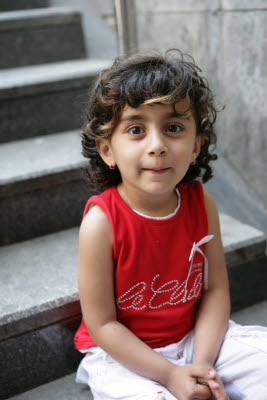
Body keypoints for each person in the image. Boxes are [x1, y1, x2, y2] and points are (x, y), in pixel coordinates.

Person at [74, 50, 267, 400]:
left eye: (173, 127)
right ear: (107, 150)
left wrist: (202, 370)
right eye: (135, 129)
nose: (158, 146)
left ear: (196, 145)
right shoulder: (101, 223)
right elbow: (102, 325)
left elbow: (215, 291)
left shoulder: (200, 203)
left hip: (197, 338)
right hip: (124, 356)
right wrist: (170, 375)